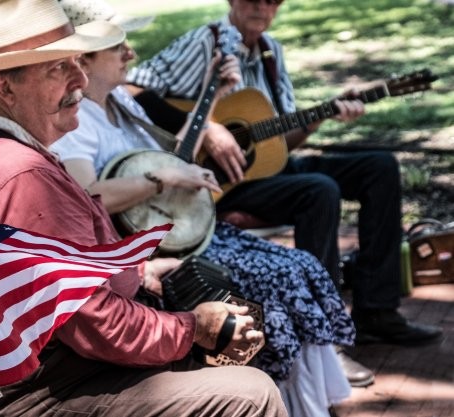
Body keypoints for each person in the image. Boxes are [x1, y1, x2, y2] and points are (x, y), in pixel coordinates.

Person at [0, 1, 288, 416]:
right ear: (4, 87)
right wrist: (194, 328)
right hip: (42, 390)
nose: (80, 79)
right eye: (58, 68)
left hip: (37, 367)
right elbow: (98, 326)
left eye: (77, 63)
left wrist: (141, 272)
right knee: (250, 393)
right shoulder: (21, 174)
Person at [51, 2, 357, 415]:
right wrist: (163, 180)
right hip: (157, 251)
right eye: (118, 47)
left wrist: (211, 97)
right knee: (276, 295)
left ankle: (314, 400)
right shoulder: (78, 122)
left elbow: (177, 155)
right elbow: (90, 197)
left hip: (190, 231)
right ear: (84, 59)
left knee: (301, 265)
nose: (131, 54)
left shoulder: (121, 102)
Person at [126, 0, 443, 386]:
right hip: (212, 184)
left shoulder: (270, 52)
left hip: (264, 171)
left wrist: (320, 117)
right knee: (318, 190)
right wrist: (207, 128)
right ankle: (325, 340)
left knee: (379, 167)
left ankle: (377, 311)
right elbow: (131, 87)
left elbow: (276, 143)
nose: (262, 6)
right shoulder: (204, 42)